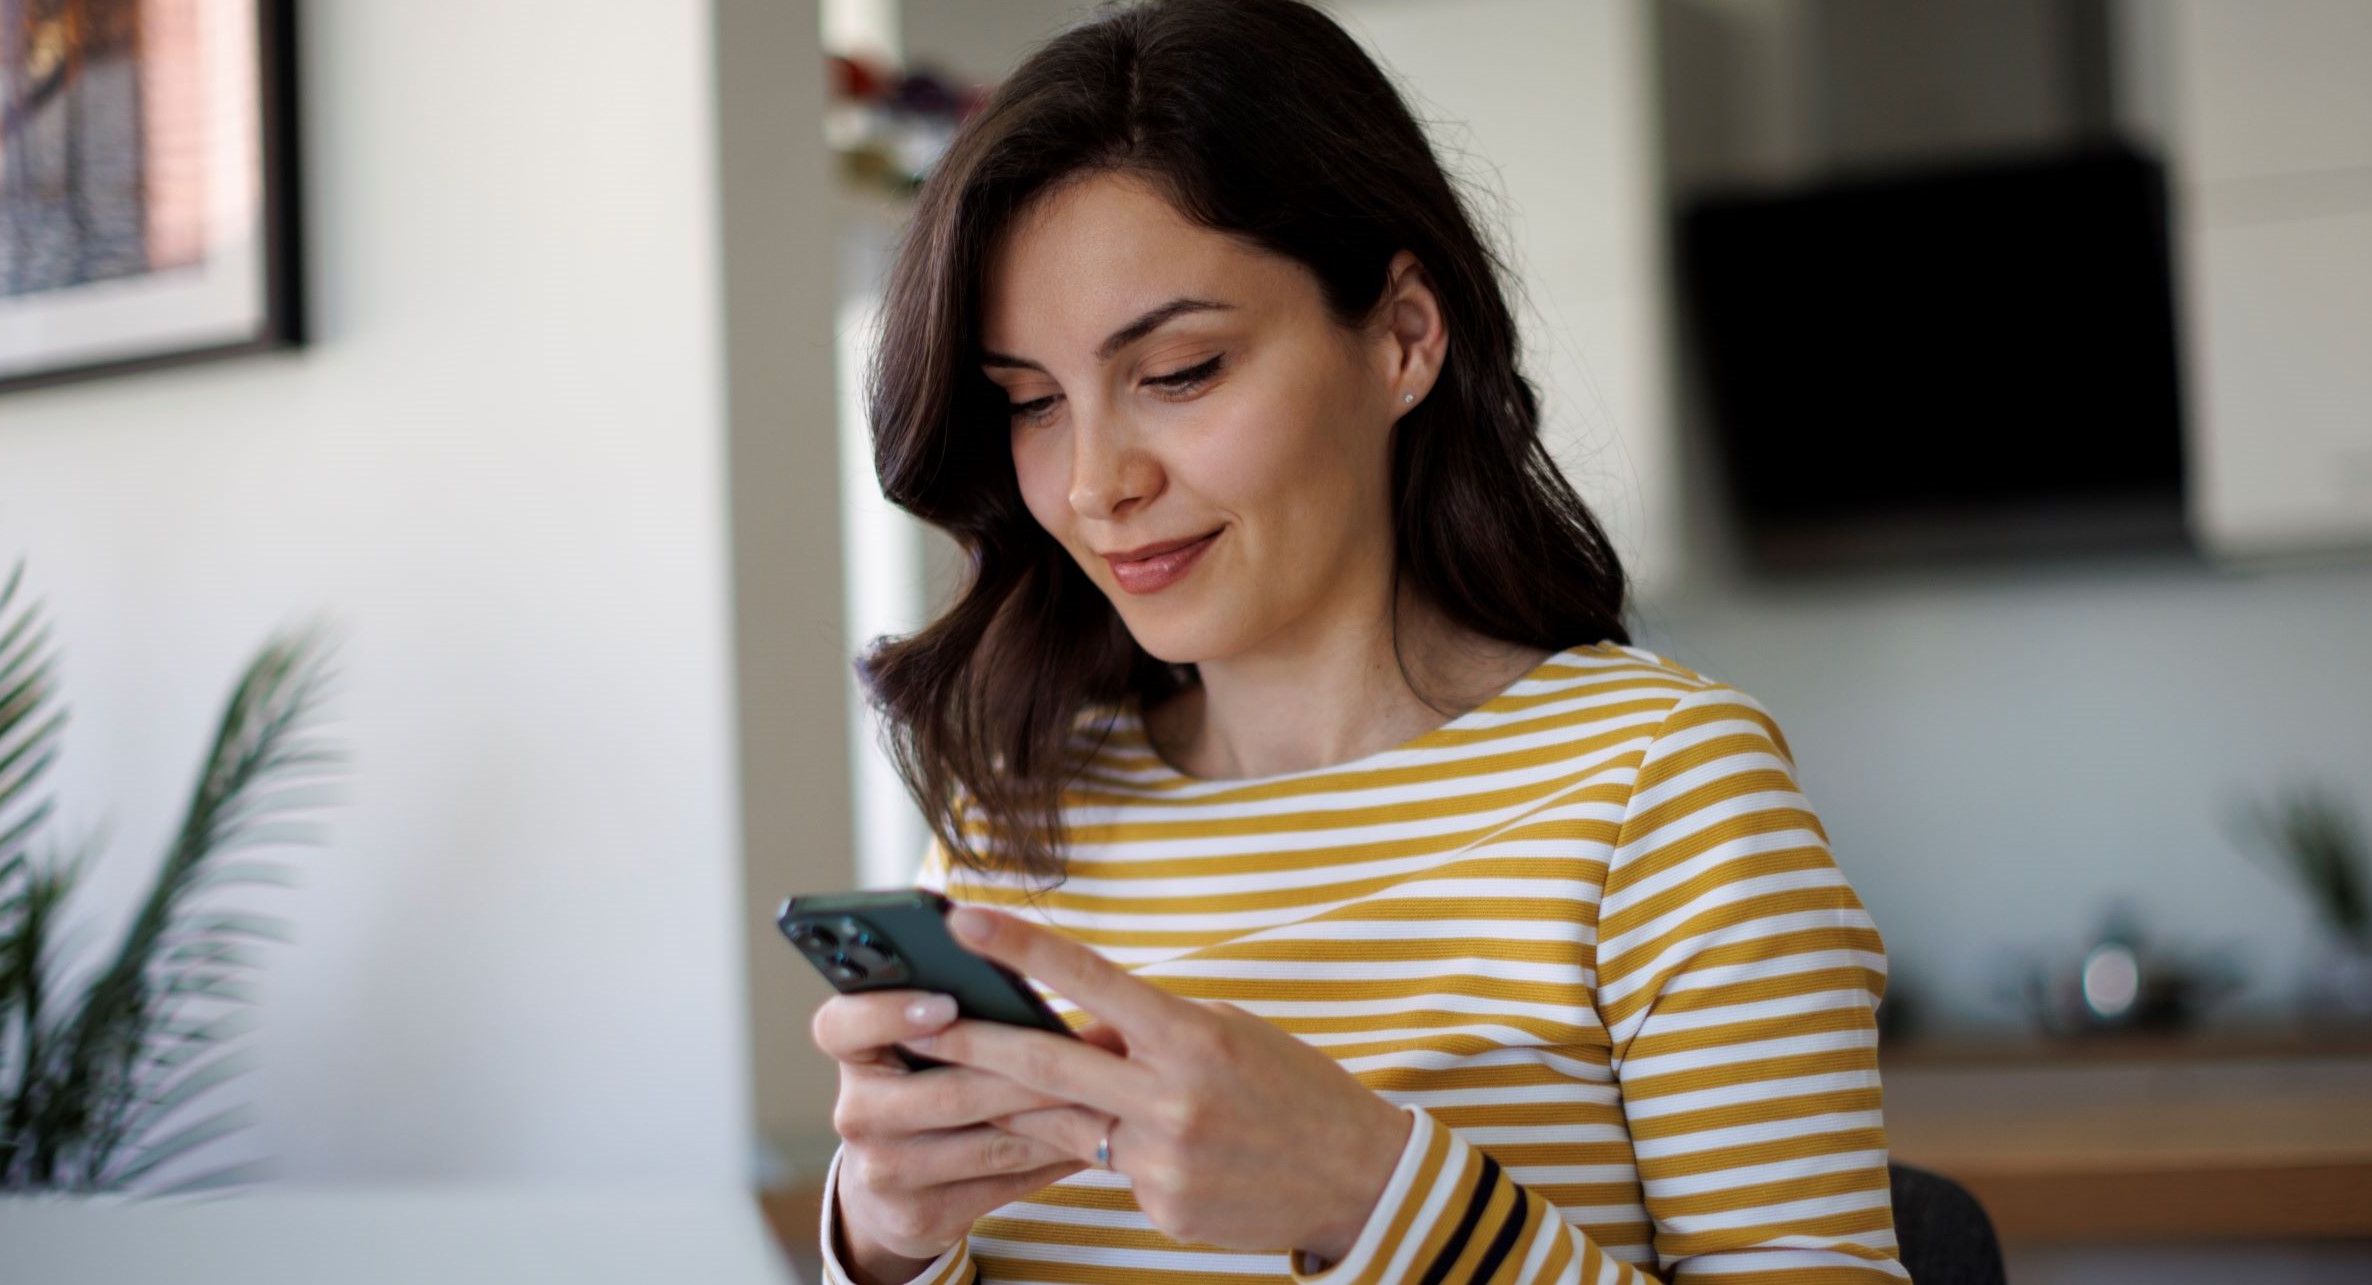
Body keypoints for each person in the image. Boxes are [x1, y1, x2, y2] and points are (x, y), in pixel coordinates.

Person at [809, 2, 1902, 1280]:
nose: (1095, 482)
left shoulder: (1662, 793)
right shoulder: (1012, 821)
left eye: (1181, 371)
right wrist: (882, 1245)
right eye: (1033, 404)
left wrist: (1370, 1191)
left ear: (1402, 337)